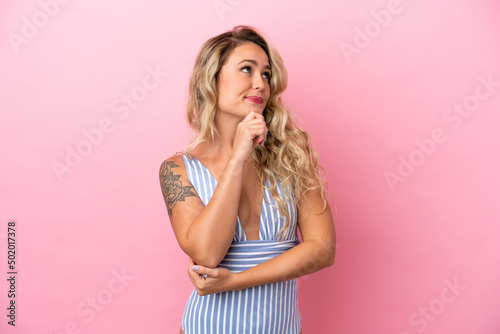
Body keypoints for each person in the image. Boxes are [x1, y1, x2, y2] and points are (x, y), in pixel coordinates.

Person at [159, 25, 336, 334]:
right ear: (212, 79)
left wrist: (235, 281)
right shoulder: (177, 170)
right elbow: (207, 253)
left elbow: (322, 249)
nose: (261, 84)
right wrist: (238, 159)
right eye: (247, 70)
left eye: (266, 74)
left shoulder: (292, 157)